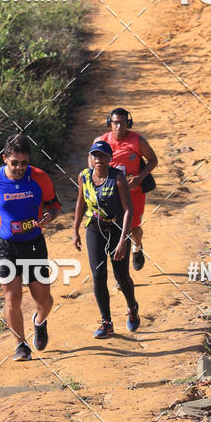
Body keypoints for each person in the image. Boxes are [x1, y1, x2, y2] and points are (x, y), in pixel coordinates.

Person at [0, 132, 62, 360]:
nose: (19, 168)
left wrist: (50, 216)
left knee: (44, 301)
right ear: (4, 158)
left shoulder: (39, 178)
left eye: (24, 163)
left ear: (29, 160)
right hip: (4, 246)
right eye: (14, 162)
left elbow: (55, 205)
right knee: (12, 297)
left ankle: (39, 322)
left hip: (34, 245)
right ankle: (21, 344)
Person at [73, 140, 139, 338]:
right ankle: (106, 322)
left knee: (121, 276)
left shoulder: (117, 177)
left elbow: (128, 209)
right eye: (95, 155)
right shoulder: (84, 177)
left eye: (102, 155)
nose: (98, 159)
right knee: (98, 274)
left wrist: (122, 242)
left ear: (110, 158)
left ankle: (132, 307)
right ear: (90, 158)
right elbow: (80, 203)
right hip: (94, 228)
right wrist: (75, 230)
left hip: (117, 229)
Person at [95, 108, 158, 271]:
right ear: (110, 123)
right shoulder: (101, 141)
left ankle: (137, 247)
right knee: (118, 230)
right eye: (115, 122)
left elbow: (153, 160)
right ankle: (122, 273)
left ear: (128, 123)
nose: (119, 126)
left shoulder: (137, 141)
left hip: (134, 191)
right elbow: (92, 165)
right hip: (112, 193)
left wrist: (139, 178)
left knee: (134, 228)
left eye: (122, 123)